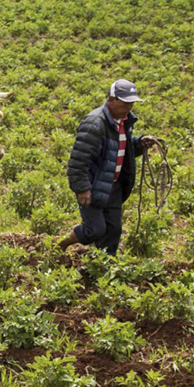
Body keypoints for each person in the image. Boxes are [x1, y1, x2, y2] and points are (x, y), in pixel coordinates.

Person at [58, 79, 159, 256]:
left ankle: (105, 268)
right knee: (95, 230)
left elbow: (117, 149)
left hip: (114, 186)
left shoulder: (123, 121)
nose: (130, 107)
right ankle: (62, 242)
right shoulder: (94, 124)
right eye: (126, 102)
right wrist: (82, 188)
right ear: (112, 99)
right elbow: (77, 162)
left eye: (132, 103)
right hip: (94, 185)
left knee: (113, 231)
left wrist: (138, 144)